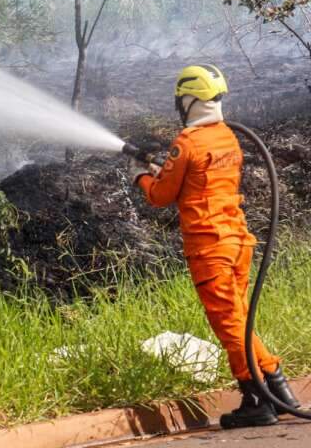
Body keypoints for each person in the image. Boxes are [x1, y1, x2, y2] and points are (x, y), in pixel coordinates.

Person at [128, 64, 300, 429]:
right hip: (238, 241)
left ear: (189, 100)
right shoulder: (226, 137)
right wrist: (167, 170)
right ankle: (279, 389)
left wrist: (140, 176)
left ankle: (257, 400)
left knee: (229, 326)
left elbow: (160, 196)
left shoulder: (187, 143)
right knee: (239, 319)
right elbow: (200, 183)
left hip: (211, 248)